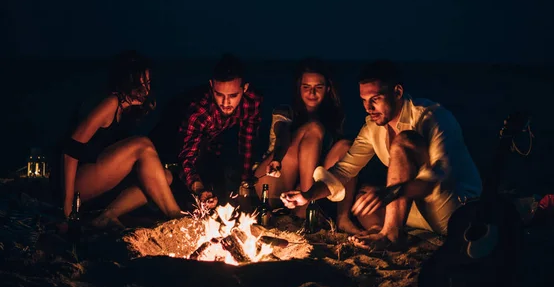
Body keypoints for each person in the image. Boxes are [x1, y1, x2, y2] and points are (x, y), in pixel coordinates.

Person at [281, 60, 482, 250]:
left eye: (375, 99)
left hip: (455, 211)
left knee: (404, 141)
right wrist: (307, 195)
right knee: (365, 195)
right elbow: (344, 170)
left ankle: (391, 236)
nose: (369, 108)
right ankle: (379, 232)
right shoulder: (372, 127)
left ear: (397, 92)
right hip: (419, 213)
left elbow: (437, 178)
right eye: (364, 101)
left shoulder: (432, 117)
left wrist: (390, 192)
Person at [60, 50, 182, 228]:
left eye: (147, 83)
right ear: (125, 83)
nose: (146, 91)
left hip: (98, 179)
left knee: (165, 177)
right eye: (139, 85)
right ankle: (175, 215)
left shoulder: (126, 109)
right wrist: (67, 203)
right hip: (74, 183)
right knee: (142, 144)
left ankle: (106, 216)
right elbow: (70, 150)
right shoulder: (110, 103)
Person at [253, 58, 352, 216]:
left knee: (346, 146)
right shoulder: (285, 111)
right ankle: (306, 210)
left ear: (327, 89)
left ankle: (342, 218)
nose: (312, 93)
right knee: (313, 128)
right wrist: (277, 158)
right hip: (274, 180)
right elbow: (282, 136)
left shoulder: (334, 119)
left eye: (318, 87)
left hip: (309, 185)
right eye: (306, 87)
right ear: (299, 88)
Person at [178, 54, 262, 209]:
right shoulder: (200, 112)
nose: (225, 103)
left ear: (245, 88)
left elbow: (247, 142)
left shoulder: (251, 102)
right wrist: (199, 189)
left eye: (233, 95)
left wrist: (245, 182)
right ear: (211, 86)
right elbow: (186, 157)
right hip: (172, 141)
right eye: (219, 95)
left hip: (215, 144)